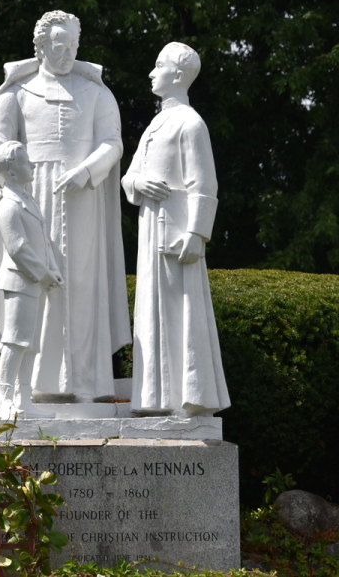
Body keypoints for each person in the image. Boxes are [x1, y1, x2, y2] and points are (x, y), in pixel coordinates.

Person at [0, 10, 131, 404]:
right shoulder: (16, 93)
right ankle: (31, 387)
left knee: (82, 284)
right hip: (31, 195)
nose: (66, 54)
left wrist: (86, 170)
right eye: (58, 46)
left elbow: (112, 143)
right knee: (36, 284)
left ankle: (85, 382)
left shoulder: (97, 93)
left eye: (72, 47)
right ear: (41, 47)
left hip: (84, 198)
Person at [121, 42, 231, 417]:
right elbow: (130, 175)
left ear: (178, 75)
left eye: (158, 66)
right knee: (151, 312)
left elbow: (205, 183)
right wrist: (138, 185)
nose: (152, 73)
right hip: (151, 225)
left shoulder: (190, 123)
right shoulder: (155, 124)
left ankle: (187, 397)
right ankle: (153, 398)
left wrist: (197, 234)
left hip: (175, 229)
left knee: (180, 312)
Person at [0, 141, 64, 419]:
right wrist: (44, 274)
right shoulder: (8, 205)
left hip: (34, 282)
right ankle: (3, 399)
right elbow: (18, 247)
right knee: (15, 341)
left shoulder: (27, 200)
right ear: (10, 173)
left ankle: (24, 401)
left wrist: (52, 268)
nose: (31, 165)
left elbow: (42, 241)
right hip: (20, 281)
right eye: (24, 162)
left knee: (30, 343)